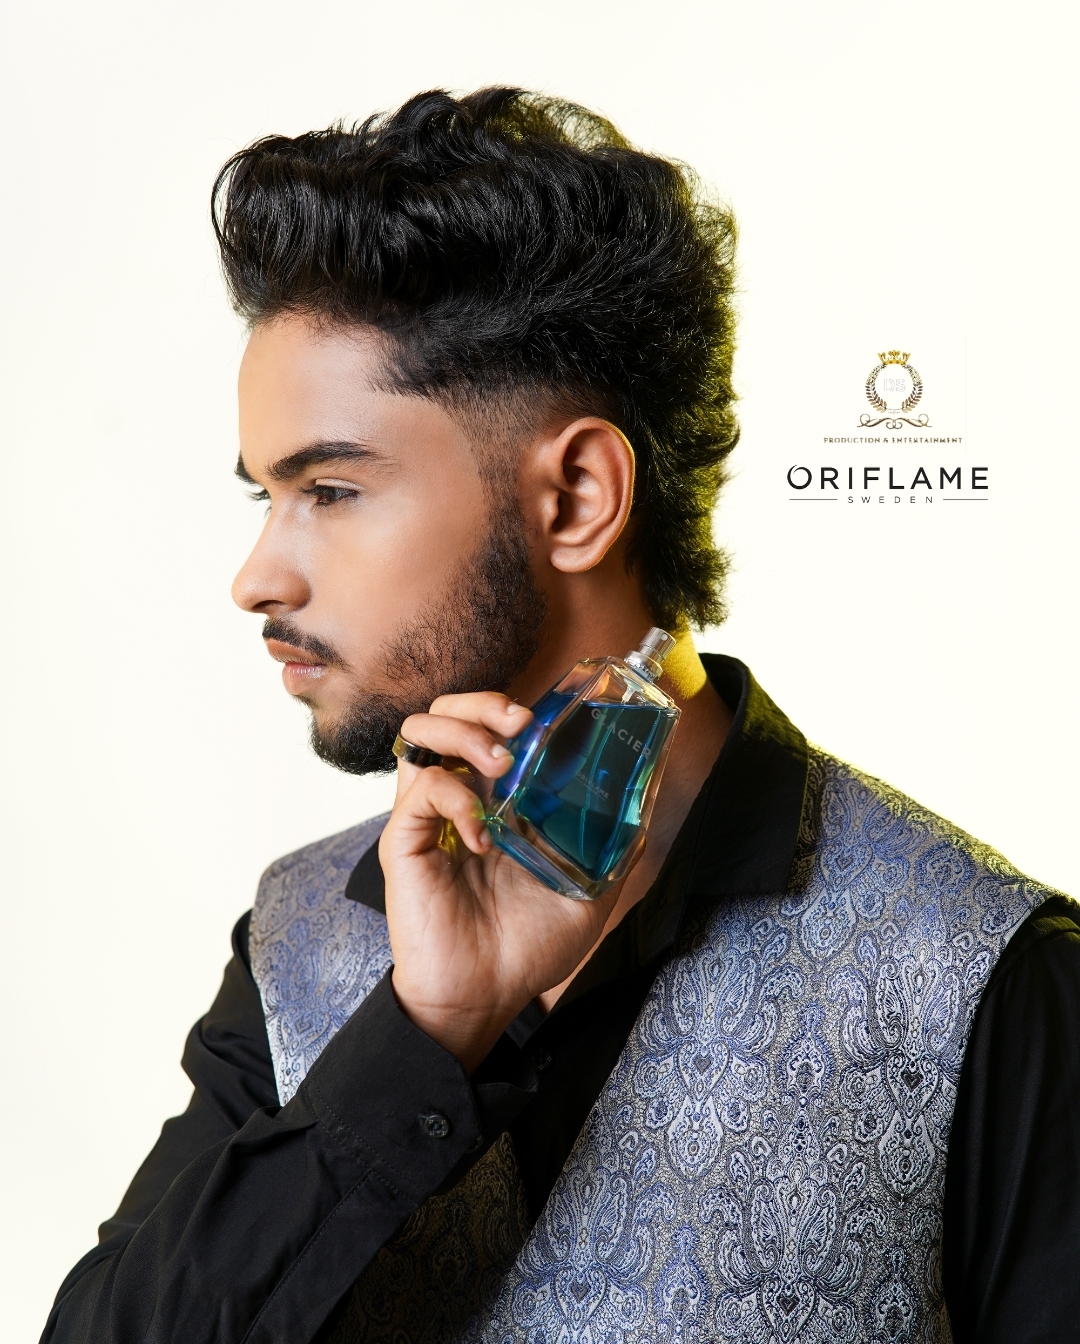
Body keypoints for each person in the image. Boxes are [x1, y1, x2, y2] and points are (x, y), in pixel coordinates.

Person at [43, 88, 1080, 1344]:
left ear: (578, 496)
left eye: (331, 490)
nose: (258, 577)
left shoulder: (983, 969)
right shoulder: (298, 936)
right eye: (267, 496)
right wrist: (422, 1038)